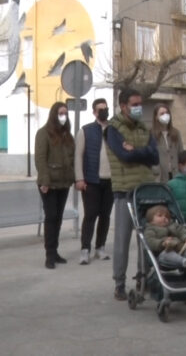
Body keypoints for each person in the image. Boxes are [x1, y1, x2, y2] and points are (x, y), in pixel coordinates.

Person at [105, 88, 159, 300]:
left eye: (140, 104)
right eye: (134, 104)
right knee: (123, 240)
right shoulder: (113, 129)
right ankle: (119, 283)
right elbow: (122, 156)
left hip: (146, 189)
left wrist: (136, 151)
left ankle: (142, 278)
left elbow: (155, 157)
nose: (139, 108)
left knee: (146, 238)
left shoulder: (144, 128)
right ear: (123, 106)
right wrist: (141, 153)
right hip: (124, 191)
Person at [74, 97, 114, 265]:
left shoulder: (114, 130)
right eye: (100, 109)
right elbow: (78, 156)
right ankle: (85, 249)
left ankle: (100, 247)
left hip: (111, 181)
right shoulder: (86, 130)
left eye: (105, 108)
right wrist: (79, 178)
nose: (103, 111)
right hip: (91, 181)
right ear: (94, 112)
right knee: (90, 215)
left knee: (105, 215)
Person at [35, 101, 75, 269]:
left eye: (65, 113)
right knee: (50, 218)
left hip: (64, 182)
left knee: (58, 218)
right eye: (60, 113)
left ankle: (55, 251)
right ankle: (49, 255)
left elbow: (71, 158)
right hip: (49, 183)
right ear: (53, 115)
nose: (63, 116)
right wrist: (45, 181)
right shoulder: (43, 133)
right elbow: (40, 158)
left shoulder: (68, 135)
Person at [143, 205, 186, 269]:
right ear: (151, 219)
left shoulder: (173, 225)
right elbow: (150, 241)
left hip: (179, 248)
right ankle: (183, 261)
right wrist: (162, 243)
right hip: (163, 252)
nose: (164, 218)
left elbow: (182, 231)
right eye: (160, 215)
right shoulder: (150, 229)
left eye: (167, 216)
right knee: (169, 254)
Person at [151, 103, 183, 182]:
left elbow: (181, 153)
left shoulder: (176, 133)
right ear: (156, 117)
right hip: (159, 177)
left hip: (175, 175)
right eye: (162, 113)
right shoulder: (151, 134)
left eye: (167, 113)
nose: (165, 115)